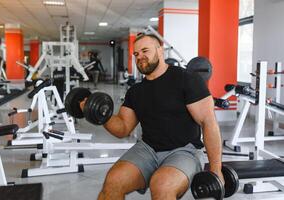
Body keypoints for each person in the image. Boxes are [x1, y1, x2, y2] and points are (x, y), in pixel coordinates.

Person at [81, 33, 224, 200]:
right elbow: (122, 128)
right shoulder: (136, 91)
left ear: (160, 51)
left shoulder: (186, 79)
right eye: (136, 54)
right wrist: (98, 113)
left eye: (145, 51)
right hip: (147, 149)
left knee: (162, 185)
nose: (140, 56)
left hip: (184, 150)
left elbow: (209, 123)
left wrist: (216, 168)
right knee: (113, 181)